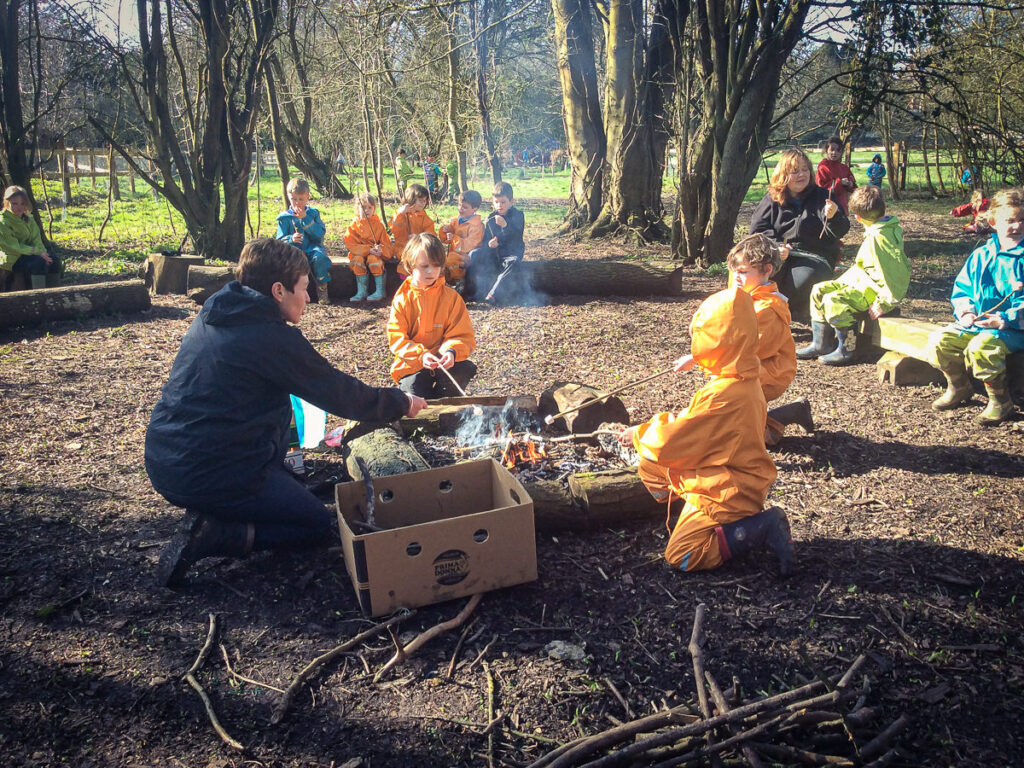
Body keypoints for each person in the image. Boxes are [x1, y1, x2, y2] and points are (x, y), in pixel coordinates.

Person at [145, 238, 427, 587]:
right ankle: (219, 532)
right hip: (208, 469)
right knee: (313, 524)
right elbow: (336, 391)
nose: (308, 298)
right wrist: (400, 402)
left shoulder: (217, 310)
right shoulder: (269, 337)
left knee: (295, 491)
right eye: (304, 288)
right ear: (278, 290)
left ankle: (241, 500)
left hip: (165, 456)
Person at [617, 287, 794, 576]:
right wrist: (645, 431)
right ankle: (694, 516)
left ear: (718, 341)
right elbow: (693, 426)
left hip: (730, 488)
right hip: (727, 470)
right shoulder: (745, 375)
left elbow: (672, 442)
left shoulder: (725, 393)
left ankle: (758, 527)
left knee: (682, 556)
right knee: (650, 466)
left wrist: (639, 433)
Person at [927, 188, 1024, 426]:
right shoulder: (982, 255)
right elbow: (963, 288)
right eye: (1010, 221)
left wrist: (1004, 318)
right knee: (941, 340)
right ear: (993, 222)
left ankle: (1001, 400)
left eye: (1023, 220)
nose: (1017, 226)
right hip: (980, 321)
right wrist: (966, 311)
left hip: (1013, 328)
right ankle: (959, 386)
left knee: (983, 346)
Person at [798, 186, 910, 366]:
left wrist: (885, 302)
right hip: (860, 282)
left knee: (834, 301)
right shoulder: (880, 229)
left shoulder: (880, 239)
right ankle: (821, 343)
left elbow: (895, 272)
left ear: (858, 218)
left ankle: (847, 348)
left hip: (873, 290)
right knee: (818, 290)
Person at [728, 234, 815, 445]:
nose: (736, 278)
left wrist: (711, 355)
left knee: (737, 432)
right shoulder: (745, 297)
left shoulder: (767, 309)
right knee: (729, 418)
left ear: (766, 270)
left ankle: (768, 429)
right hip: (752, 366)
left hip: (771, 370)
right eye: (734, 273)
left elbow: (753, 350)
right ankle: (791, 411)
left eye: (743, 272)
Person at [750, 148, 850, 318]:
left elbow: (841, 230)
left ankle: (794, 312)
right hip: (780, 253)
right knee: (761, 277)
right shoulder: (772, 198)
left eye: (805, 170)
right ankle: (767, 312)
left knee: (803, 280)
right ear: (783, 174)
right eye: (795, 171)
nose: (801, 175)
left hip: (814, 255)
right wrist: (776, 246)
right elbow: (757, 230)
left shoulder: (823, 196)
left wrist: (833, 216)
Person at [387, 233, 477, 399]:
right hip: (413, 364)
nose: (431, 271)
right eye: (424, 266)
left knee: (459, 376)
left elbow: (462, 334)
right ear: (410, 265)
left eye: (436, 266)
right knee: (415, 397)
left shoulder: (451, 298)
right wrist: (421, 355)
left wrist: (451, 352)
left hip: (444, 363)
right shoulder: (402, 300)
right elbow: (397, 338)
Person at [466, 182, 526, 304]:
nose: (500, 205)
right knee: (474, 254)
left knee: (514, 262)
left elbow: (517, 236)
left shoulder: (518, 215)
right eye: (496, 202)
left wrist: (505, 225)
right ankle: (470, 291)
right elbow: (486, 239)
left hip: (511, 253)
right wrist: (489, 244)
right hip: (495, 253)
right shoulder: (491, 217)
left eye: (503, 202)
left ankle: (493, 294)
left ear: (511, 201)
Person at [275, 178, 331, 304]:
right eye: (294, 199)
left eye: (301, 199)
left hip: (313, 247)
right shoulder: (285, 218)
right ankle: (293, 294)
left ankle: (322, 288)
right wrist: (290, 238)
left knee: (320, 258)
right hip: (294, 250)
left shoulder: (313, 213)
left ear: (307, 198)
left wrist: (306, 220)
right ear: (289, 197)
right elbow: (279, 241)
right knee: (291, 264)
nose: (297, 203)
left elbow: (319, 234)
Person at [0, 186, 60, 290]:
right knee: (38, 262)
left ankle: (55, 295)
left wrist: (43, 253)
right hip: (11, 258)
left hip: (31, 254)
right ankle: (38, 296)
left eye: (22, 204)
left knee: (54, 261)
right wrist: (37, 252)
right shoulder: (3, 221)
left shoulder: (29, 219)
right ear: (7, 202)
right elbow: (12, 246)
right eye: (15, 203)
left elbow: (36, 240)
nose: (19, 207)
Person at [344, 193, 395, 302]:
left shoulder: (378, 225)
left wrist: (380, 250)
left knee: (374, 260)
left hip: (374, 254)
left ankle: (380, 290)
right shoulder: (353, 226)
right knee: (357, 260)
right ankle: (362, 291)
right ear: (357, 208)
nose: (366, 210)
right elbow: (350, 244)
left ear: (374, 209)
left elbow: (387, 244)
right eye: (363, 207)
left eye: (369, 207)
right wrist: (367, 249)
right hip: (359, 254)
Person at [439, 190, 484, 289]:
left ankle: (460, 283)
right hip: (453, 254)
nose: (460, 209)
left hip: (466, 257)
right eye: (459, 205)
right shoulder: (456, 220)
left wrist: (454, 238)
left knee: (451, 260)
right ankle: (444, 284)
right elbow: (445, 240)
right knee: (441, 260)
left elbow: (471, 245)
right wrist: (445, 230)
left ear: (475, 208)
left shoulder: (476, 225)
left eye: (465, 207)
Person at [390, 183, 436, 267]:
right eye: (421, 200)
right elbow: (393, 229)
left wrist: (418, 238)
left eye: (425, 201)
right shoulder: (401, 214)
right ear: (412, 199)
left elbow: (431, 235)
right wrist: (400, 214)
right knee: (408, 260)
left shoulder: (425, 218)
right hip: (402, 248)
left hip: (419, 248)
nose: (423, 203)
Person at [815, 136, 857, 213]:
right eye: (832, 149)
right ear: (826, 150)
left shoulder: (844, 168)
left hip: (843, 207)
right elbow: (821, 189)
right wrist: (840, 183)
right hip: (827, 209)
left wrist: (850, 183)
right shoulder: (823, 167)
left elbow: (853, 185)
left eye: (838, 150)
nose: (834, 153)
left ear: (841, 152)